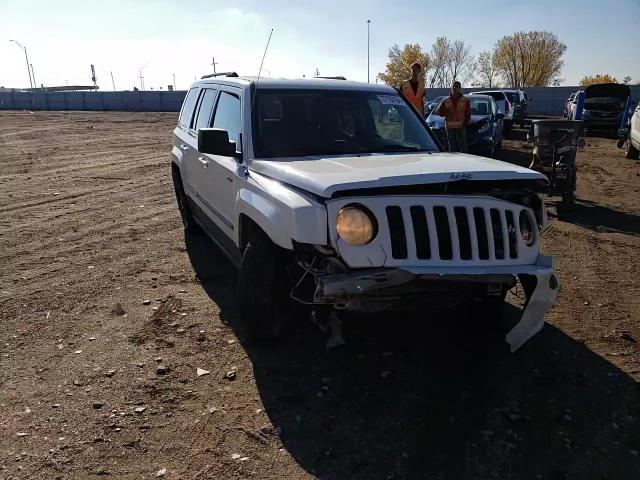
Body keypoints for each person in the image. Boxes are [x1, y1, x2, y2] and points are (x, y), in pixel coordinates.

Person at [437, 81, 470, 153]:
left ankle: (464, 161)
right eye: (454, 87)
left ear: (460, 88)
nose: (455, 88)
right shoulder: (446, 100)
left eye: (457, 87)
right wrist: (446, 112)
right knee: (452, 148)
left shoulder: (465, 100)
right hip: (450, 127)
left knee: (463, 146)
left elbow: (468, 113)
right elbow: (440, 112)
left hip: (461, 126)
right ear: (451, 88)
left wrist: (466, 122)